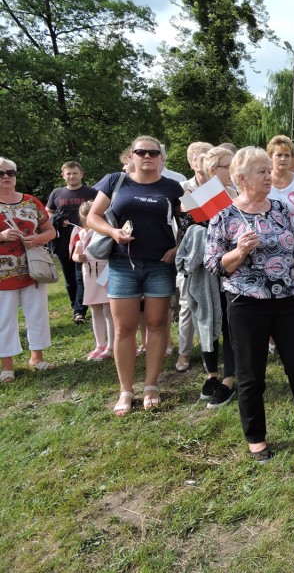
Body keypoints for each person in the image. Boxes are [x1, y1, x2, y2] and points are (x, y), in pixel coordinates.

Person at [204, 147, 294, 460]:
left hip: (287, 300)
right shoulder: (224, 216)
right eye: (262, 171)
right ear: (242, 179)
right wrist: (240, 252)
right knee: (251, 374)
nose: (269, 176)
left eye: (268, 170)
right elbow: (214, 265)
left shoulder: (279, 209)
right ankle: (256, 437)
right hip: (247, 303)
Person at [88, 136, 184, 415]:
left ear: (161, 158)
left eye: (153, 153)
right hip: (121, 264)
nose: (147, 156)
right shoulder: (115, 181)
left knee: (156, 325)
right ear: (131, 155)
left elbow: (189, 222)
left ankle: (151, 385)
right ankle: (126, 390)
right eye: (140, 152)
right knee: (124, 328)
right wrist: (113, 232)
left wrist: (178, 248)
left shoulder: (172, 187)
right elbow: (93, 216)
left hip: (160, 264)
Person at [177, 147, 239, 407]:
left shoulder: (237, 194)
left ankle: (229, 379)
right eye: (228, 166)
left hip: (233, 269)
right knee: (207, 319)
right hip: (204, 273)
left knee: (230, 324)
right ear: (214, 171)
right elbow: (187, 227)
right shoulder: (190, 197)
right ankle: (212, 373)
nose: (233, 171)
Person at [0, 158, 56, 384]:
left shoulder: (31, 202)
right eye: (0, 173)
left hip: (33, 270)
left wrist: (37, 238)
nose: (6, 177)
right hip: (2, 274)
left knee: (37, 314)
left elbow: (50, 231)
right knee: (4, 319)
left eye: (10, 173)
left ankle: (37, 358)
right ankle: (7, 366)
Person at [174, 141, 214, 372]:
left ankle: (216, 349)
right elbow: (186, 217)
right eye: (200, 157)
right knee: (187, 304)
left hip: (218, 253)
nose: (204, 161)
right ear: (191, 162)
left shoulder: (223, 186)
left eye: (209, 157)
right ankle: (184, 352)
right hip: (190, 253)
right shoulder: (181, 187)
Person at [46, 161, 97, 324]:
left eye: (75, 173)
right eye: (68, 173)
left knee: (81, 276)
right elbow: (48, 213)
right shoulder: (57, 193)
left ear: (81, 174)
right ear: (63, 175)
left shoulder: (92, 192)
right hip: (62, 241)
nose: (72, 176)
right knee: (69, 279)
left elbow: (100, 213)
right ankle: (75, 305)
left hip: (84, 239)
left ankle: (80, 311)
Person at [71, 201, 114, 361]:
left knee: (108, 311)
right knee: (95, 310)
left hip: (106, 272)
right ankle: (99, 344)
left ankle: (111, 345)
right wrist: (78, 257)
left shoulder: (106, 232)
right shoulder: (81, 233)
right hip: (89, 273)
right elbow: (75, 254)